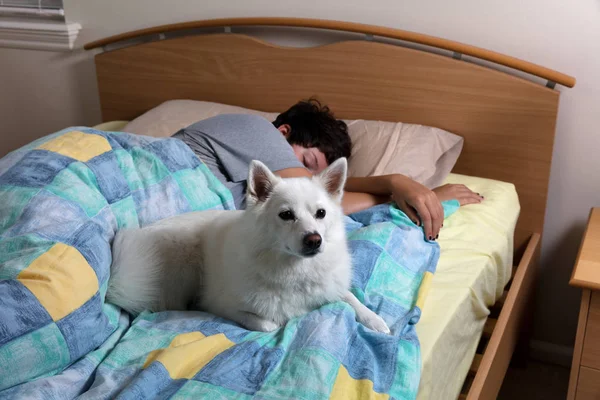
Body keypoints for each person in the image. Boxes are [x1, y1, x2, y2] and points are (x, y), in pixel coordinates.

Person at [172, 99, 482, 240]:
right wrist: (394, 182)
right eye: (305, 165)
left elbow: (322, 202)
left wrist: (397, 194)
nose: (307, 179)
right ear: (282, 133)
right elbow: (311, 193)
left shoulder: (248, 190)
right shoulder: (254, 128)